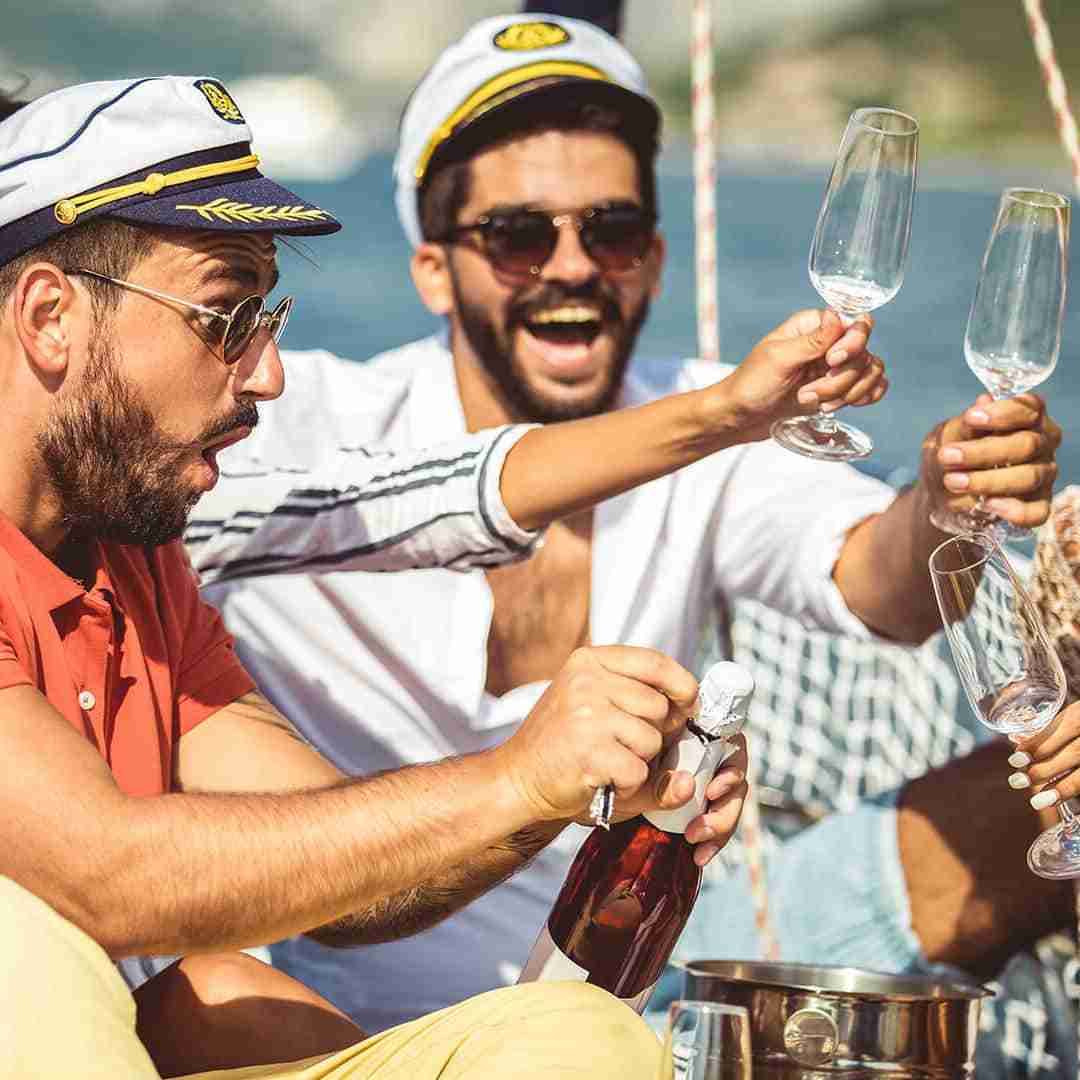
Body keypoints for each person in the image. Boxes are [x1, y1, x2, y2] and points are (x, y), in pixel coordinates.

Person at [181, 7, 1067, 1052]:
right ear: (433, 269)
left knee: (1034, 811)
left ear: (650, 256)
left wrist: (945, 496)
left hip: (639, 982)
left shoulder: (719, 416)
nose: (572, 266)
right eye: (517, 235)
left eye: (611, 231)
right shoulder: (292, 416)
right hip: (345, 1020)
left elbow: (879, 583)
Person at [0, 74, 771, 1080]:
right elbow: (110, 877)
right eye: (223, 318)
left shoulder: (135, 559)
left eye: (265, 320)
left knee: (576, 1039)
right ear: (50, 316)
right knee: (27, 948)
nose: (268, 373)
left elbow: (355, 883)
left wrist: (561, 791)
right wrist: (510, 776)